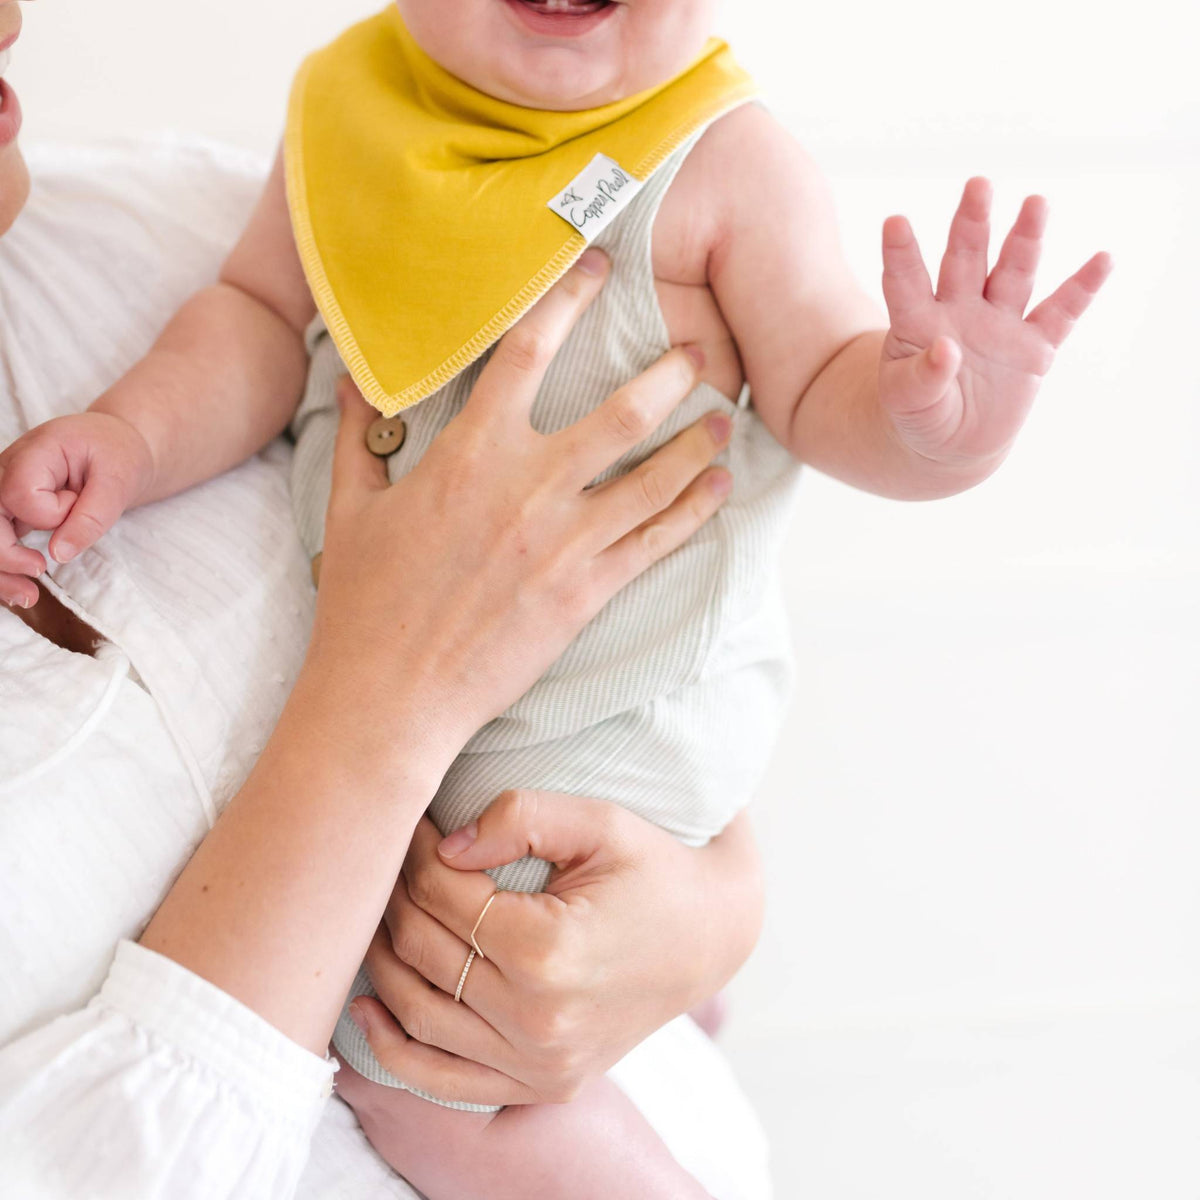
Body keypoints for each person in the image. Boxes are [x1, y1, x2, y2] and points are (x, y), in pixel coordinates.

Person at [1, 0, 1112, 1194]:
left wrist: (936, 426)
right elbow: (261, 321)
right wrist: (133, 434)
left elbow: (827, 382)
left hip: (607, 709)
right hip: (417, 715)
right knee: (413, 971)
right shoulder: (347, 113)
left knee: (412, 1046)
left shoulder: (727, 164)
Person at [0, 4, 773, 1198]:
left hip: (588, 803)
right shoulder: (340, 133)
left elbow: (674, 574)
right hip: (437, 1044)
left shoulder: (159, 214)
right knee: (406, 1064)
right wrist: (392, 694)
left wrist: (708, 908)